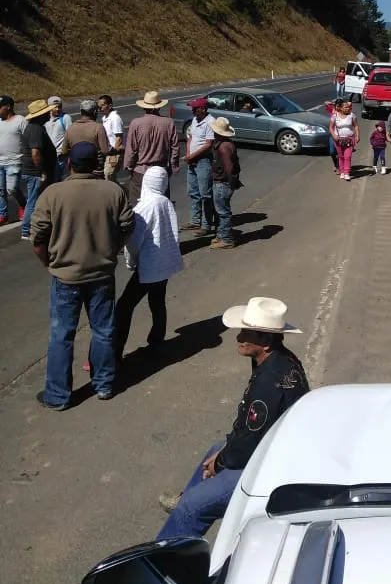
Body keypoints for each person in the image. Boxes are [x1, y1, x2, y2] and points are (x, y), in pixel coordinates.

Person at [157, 297, 308, 539]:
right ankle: (190, 500)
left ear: (266, 341)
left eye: (247, 333)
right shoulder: (280, 359)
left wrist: (221, 462)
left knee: (192, 507)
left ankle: (165, 564)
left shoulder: (269, 382)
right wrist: (223, 452)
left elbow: (248, 444)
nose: (238, 338)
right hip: (271, 448)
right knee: (216, 449)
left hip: (270, 466)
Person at [30, 142, 135, 409]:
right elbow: (127, 228)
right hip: (101, 274)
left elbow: (37, 237)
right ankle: (104, 385)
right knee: (103, 331)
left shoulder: (53, 193)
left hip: (66, 277)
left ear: (69, 164)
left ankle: (58, 395)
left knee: (62, 334)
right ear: (97, 165)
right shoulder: (114, 191)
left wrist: (48, 262)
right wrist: (111, 249)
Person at [114, 168, 184, 360]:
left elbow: (134, 241)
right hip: (164, 264)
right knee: (157, 302)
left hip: (149, 265)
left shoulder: (144, 207)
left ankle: (115, 351)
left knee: (124, 307)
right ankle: (156, 341)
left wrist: (130, 261)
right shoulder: (165, 202)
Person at [124, 90, 180, 207]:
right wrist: (173, 166)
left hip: (141, 170)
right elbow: (175, 148)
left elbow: (131, 149)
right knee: (161, 205)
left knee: (137, 206)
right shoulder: (169, 123)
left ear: (144, 107)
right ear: (159, 107)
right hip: (160, 170)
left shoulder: (136, 123)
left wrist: (129, 166)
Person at [20, 100, 58, 242]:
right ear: (40, 115)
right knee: (33, 200)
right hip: (35, 173)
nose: (49, 114)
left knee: (38, 199)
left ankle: (38, 226)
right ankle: (26, 229)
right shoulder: (35, 129)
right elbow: (35, 153)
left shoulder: (36, 128)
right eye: (46, 112)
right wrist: (42, 172)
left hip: (34, 172)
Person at [183, 98, 214, 233]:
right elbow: (190, 138)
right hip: (193, 160)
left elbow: (208, 144)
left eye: (195, 108)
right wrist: (188, 153)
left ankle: (206, 224)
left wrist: (193, 155)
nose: (193, 111)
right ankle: (195, 220)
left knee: (205, 193)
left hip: (203, 160)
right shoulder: (195, 120)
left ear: (203, 109)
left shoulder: (210, 122)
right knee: (193, 191)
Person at [211, 116, 241, 249]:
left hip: (222, 183)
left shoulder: (223, 147)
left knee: (223, 212)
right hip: (223, 182)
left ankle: (227, 239)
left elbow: (228, 167)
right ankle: (221, 235)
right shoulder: (228, 144)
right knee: (221, 211)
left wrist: (231, 182)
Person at [0, 95, 26, 226]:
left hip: (14, 161)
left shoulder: (20, 120)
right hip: (0, 161)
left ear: (8, 107)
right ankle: (2, 215)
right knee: (0, 190)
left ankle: (23, 206)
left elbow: (27, 139)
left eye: (0, 107)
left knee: (12, 189)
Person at [61, 99, 110, 164]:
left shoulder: (71, 128)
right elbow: (105, 151)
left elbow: (64, 151)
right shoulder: (98, 128)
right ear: (95, 112)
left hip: (76, 167)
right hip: (94, 167)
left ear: (81, 112)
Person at [330, 99, 360, 181]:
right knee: (341, 156)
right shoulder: (335, 116)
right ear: (340, 108)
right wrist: (334, 135)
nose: (348, 108)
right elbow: (331, 127)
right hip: (338, 140)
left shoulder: (352, 115)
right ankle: (342, 171)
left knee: (348, 156)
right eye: (345, 107)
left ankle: (347, 172)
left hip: (349, 138)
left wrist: (357, 136)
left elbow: (356, 126)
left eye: (348, 107)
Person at [97, 95, 124, 182]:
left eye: (103, 105)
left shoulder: (115, 118)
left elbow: (119, 138)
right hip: (108, 152)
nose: (100, 108)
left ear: (110, 106)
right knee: (108, 178)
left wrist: (114, 156)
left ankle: (122, 194)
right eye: (99, 106)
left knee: (108, 176)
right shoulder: (105, 118)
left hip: (114, 152)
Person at [45, 96, 72, 181]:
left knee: (62, 180)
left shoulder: (65, 118)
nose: (57, 109)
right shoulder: (45, 119)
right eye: (54, 107)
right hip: (49, 156)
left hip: (61, 156)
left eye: (59, 107)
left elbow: (70, 136)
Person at [324, 99, 340, 172]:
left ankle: (339, 166)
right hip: (332, 134)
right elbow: (326, 103)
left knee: (340, 152)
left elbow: (349, 104)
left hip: (341, 135)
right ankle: (335, 164)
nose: (337, 108)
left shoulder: (344, 111)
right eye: (337, 106)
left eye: (339, 106)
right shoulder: (332, 110)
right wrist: (333, 103)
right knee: (332, 152)